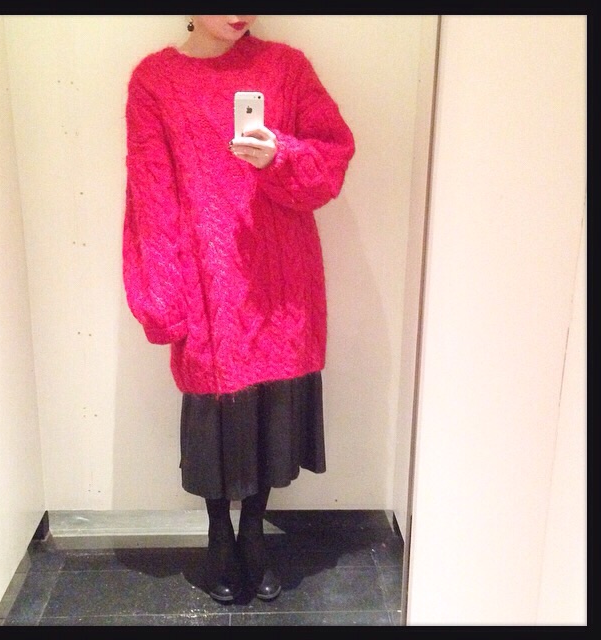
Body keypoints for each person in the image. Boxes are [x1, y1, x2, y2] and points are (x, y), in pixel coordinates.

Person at [122, 15, 355, 603]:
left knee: (270, 409)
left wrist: (279, 155)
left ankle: (253, 532)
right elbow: (150, 192)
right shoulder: (154, 80)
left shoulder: (286, 67)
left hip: (279, 276)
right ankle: (218, 533)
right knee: (214, 414)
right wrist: (163, 296)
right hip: (205, 278)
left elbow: (332, 159)